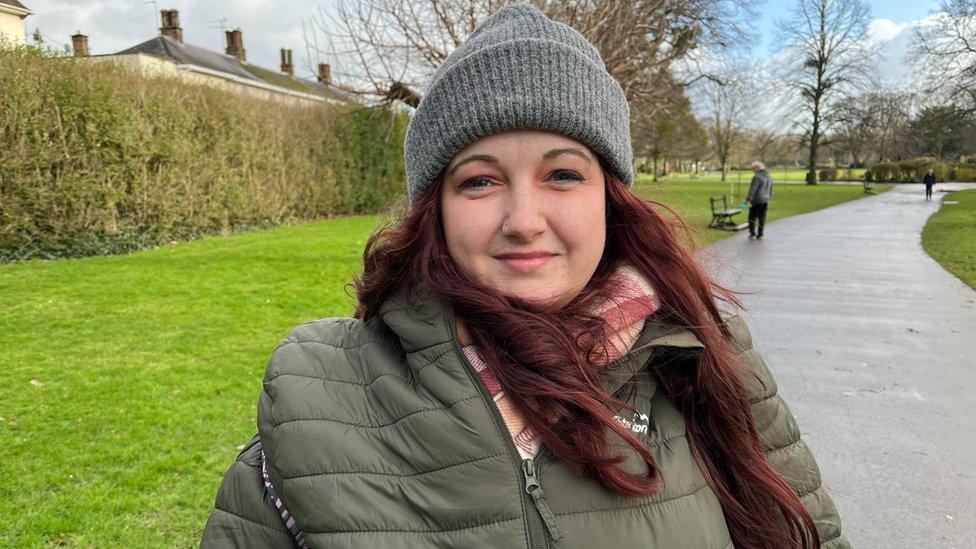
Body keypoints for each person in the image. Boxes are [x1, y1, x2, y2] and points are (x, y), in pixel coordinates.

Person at [201, 5, 848, 548]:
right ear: (438, 210)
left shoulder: (710, 357)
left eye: (562, 173)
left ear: (609, 197)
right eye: (480, 180)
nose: (523, 219)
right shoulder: (320, 398)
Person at [746, 161, 773, 240]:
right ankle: (760, 234)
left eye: (753, 169)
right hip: (765, 200)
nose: (753, 171)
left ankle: (752, 234)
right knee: (762, 217)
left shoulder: (757, 177)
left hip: (756, 200)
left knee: (752, 217)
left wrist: (749, 198)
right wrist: (769, 198)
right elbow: (771, 189)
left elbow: (753, 189)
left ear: (757, 168)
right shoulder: (769, 176)